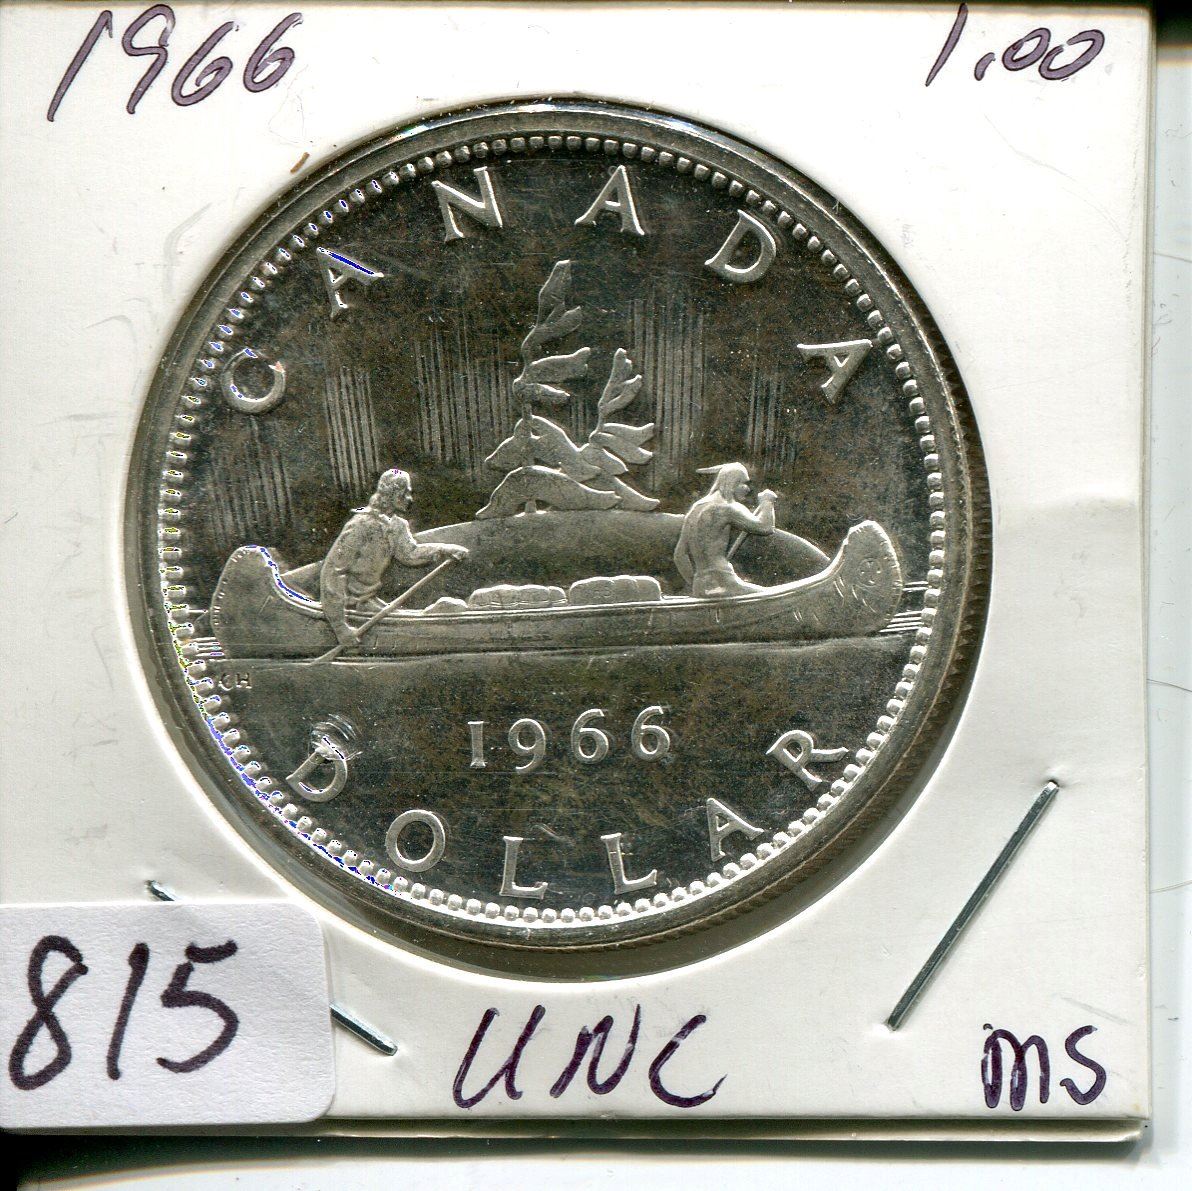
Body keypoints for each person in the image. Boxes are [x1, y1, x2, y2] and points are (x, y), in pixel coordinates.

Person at [320, 469, 468, 647]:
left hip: (370, 604)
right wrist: (339, 627)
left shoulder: (397, 525)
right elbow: (334, 571)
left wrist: (445, 549)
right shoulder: (361, 525)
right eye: (405, 493)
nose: (409, 499)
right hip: (351, 608)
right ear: (391, 493)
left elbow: (410, 553)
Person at [674, 462, 776, 598]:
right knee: (773, 596)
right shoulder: (727, 508)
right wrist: (767, 502)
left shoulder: (695, 508)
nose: (748, 489)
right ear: (732, 483)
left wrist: (699, 584)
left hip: (701, 585)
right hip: (724, 581)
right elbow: (765, 527)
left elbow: (679, 555)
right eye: (744, 483)